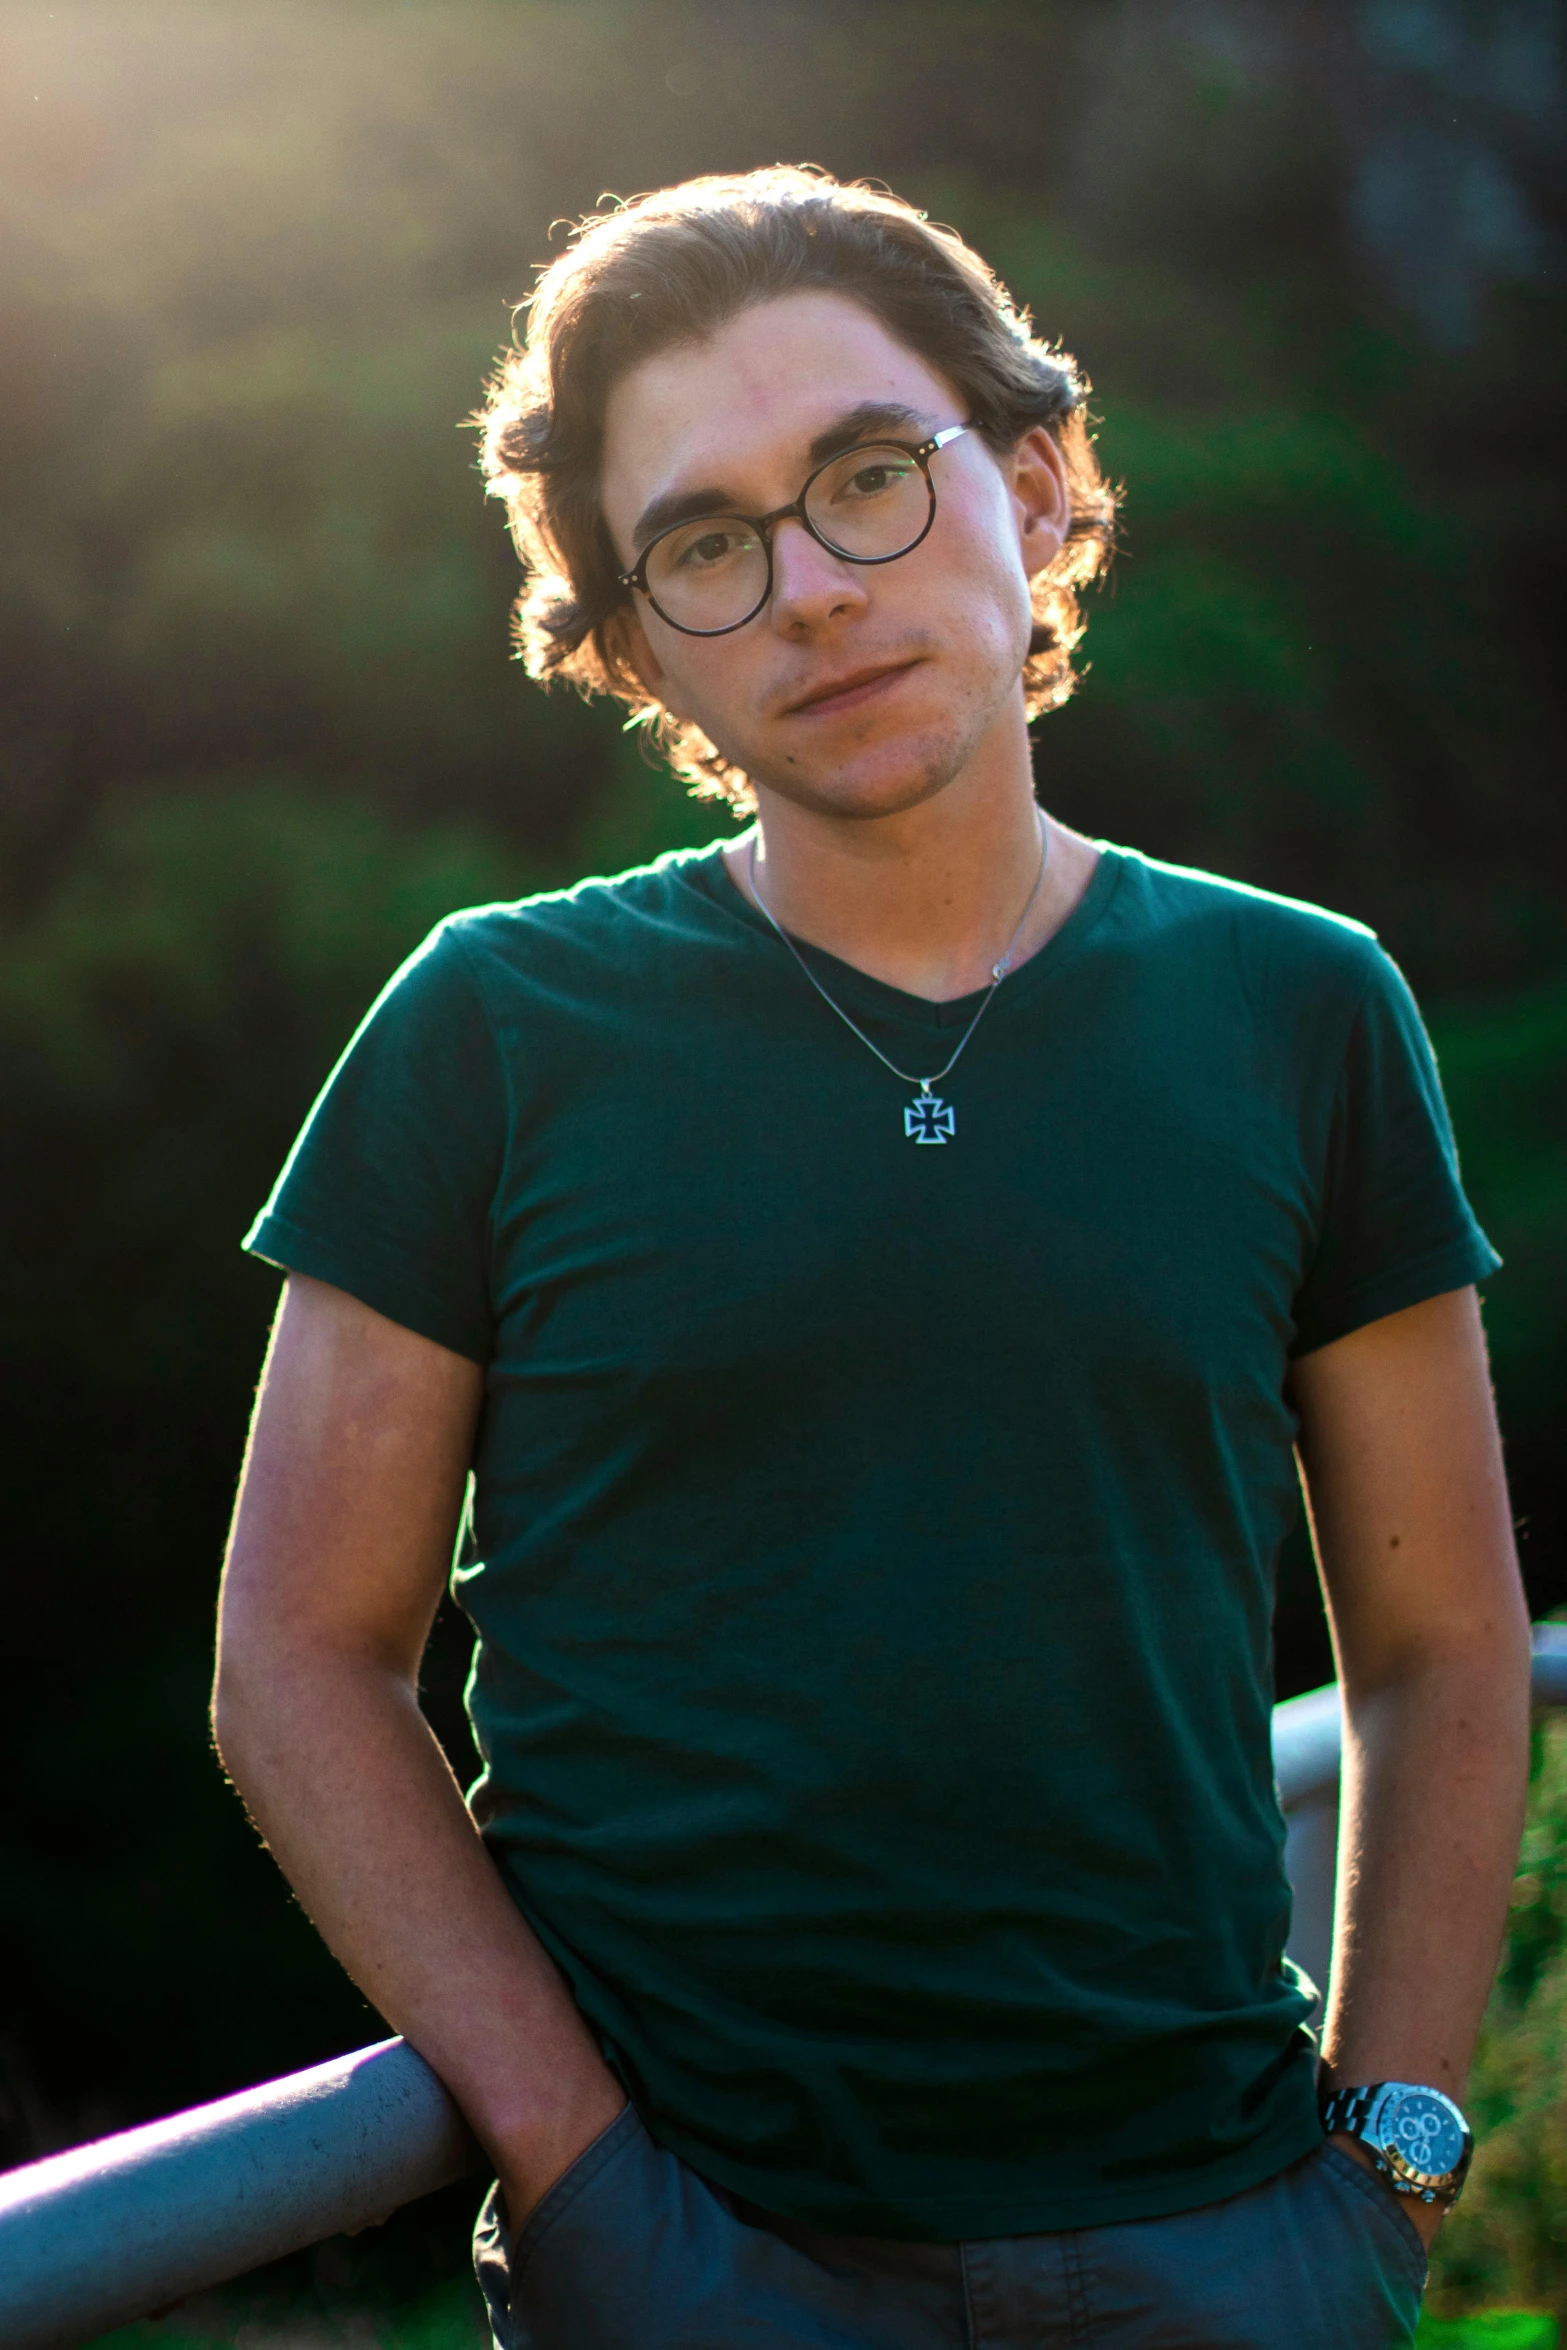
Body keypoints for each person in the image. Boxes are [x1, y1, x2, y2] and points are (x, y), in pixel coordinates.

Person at [213, 168, 1531, 2348]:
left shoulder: (1307, 1010)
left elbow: (1446, 1642)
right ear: (639, 647)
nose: (812, 588)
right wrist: (587, 2176)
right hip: (701, 2258)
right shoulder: (492, 1027)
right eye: (710, 544)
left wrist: (1383, 2174)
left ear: (1029, 482)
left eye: (868, 479)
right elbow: (297, 1655)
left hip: (1231, 2245)